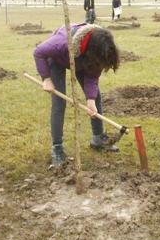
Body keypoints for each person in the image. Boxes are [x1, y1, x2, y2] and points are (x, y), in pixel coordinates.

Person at [33, 24, 120, 166]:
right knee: (59, 102)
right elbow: (38, 52)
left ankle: (98, 139)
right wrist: (46, 79)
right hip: (58, 59)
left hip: (82, 59)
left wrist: (90, 99)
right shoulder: (60, 43)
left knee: (95, 95)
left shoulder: (99, 50)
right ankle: (57, 148)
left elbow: (92, 76)